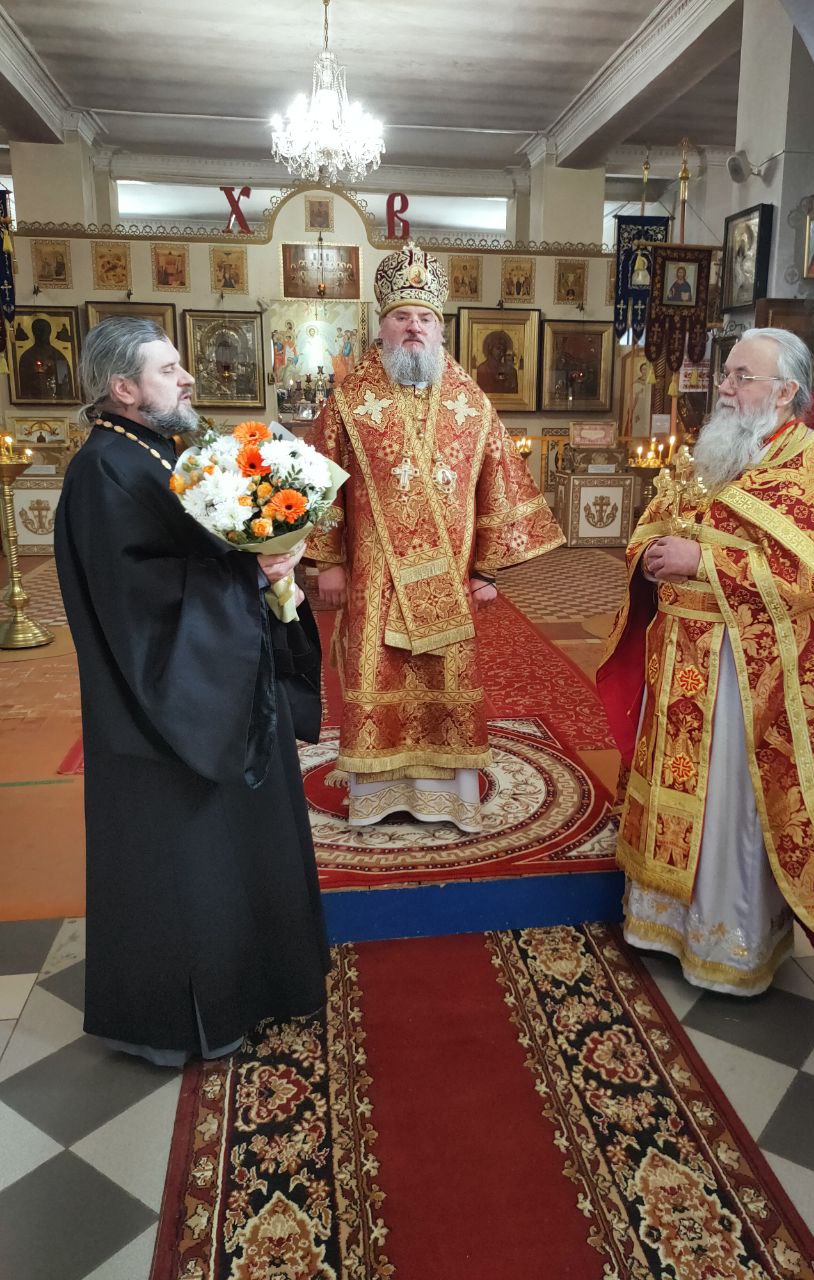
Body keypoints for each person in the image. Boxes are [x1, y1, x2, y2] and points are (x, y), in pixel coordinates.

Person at [55, 315, 328, 1066]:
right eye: (169, 369)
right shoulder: (103, 469)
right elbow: (138, 598)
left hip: (219, 680)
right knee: (187, 860)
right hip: (163, 710)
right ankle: (185, 1021)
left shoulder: (157, 448)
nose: (187, 379)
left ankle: (258, 981)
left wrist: (265, 557)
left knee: (237, 844)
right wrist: (248, 573)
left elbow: (205, 547)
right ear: (124, 388)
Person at [597, 327, 814, 994]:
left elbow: (813, 581)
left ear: (784, 391)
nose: (725, 386)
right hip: (678, 655)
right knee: (673, 783)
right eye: (727, 374)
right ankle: (659, 923)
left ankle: (725, 943)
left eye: (742, 376)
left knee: (725, 806)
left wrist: (703, 561)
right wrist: (652, 551)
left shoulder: (806, 470)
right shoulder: (719, 450)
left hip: (741, 673)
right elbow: (659, 518)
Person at [306, 244, 564, 830]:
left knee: (444, 685)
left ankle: (447, 797)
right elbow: (321, 478)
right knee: (377, 673)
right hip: (376, 577)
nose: (414, 327)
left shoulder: (471, 401)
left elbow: (497, 483)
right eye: (402, 316)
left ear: (440, 327)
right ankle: (377, 797)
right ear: (382, 326)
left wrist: (486, 570)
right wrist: (327, 560)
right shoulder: (349, 401)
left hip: (450, 576)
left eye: (424, 317)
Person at [476, 328, 519, 394]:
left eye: (503, 349)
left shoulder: (510, 370)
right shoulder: (482, 368)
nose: (501, 352)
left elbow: (513, 392)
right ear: (490, 348)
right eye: (498, 348)